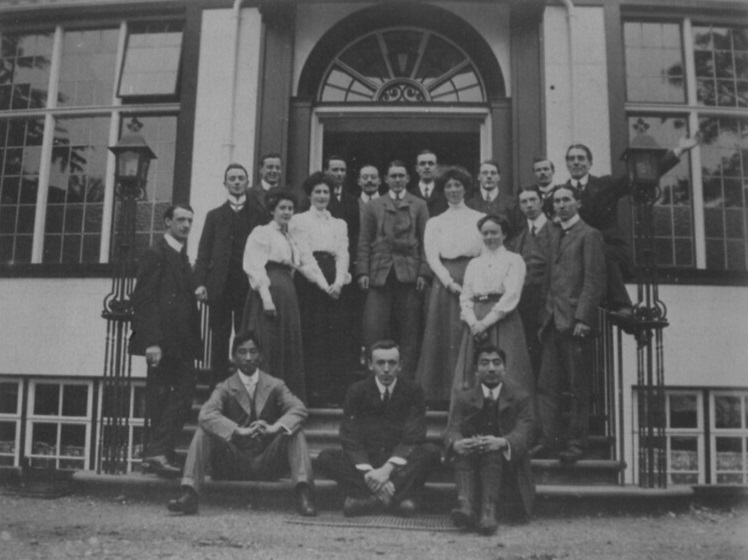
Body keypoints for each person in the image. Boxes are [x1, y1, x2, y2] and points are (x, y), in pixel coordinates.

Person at [166, 331, 316, 517]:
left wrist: (274, 427)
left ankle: (303, 493)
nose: (248, 358)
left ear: (261, 356)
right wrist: (238, 431)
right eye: (242, 352)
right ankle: (190, 493)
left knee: (295, 430)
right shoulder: (225, 387)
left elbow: (299, 408)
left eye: (253, 352)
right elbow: (206, 414)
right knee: (203, 431)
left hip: (267, 461)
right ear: (233, 357)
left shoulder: (275, 385)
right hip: (234, 461)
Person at [564, 135, 699, 314]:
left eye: (581, 158)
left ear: (590, 163)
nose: (576, 162)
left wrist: (679, 150)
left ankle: (623, 305)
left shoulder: (606, 185)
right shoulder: (561, 194)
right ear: (566, 164)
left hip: (610, 249)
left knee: (600, 252)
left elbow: (641, 175)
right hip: (578, 256)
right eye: (571, 159)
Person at [316, 340, 441, 517]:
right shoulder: (357, 391)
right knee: (326, 457)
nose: (386, 369)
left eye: (392, 363)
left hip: (397, 466)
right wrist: (370, 472)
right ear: (370, 365)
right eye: (380, 363)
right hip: (368, 465)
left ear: (401, 366)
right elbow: (349, 437)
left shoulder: (413, 391)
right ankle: (396, 500)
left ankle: (371, 502)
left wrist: (386, 470)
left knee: (432, 452)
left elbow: (414, 435)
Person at [533, 185, 606, 463]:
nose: (561, 205)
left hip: (575, 322)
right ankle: (548, 440)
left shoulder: (589, 235)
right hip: (551, 320)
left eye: (566, 200)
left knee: (577, 386)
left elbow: (594, 280)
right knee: (546, 385)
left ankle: (577, 443)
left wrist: (584, 318)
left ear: (577, 203)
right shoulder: (555, 235)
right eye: (556, 201)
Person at [130, 204, 203, 477]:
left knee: (180, 394)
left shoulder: (182, 256)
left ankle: (160, 453)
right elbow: (144, 299)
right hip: (162, 342)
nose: (186, 225)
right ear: (167, 222)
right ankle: (158, 452)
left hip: (181, 342)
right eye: (180, 220)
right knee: (164, 397)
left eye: (189, 221)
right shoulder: (156, 253)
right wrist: (152, 342)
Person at [241, 190, 330, 403]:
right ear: (272, 210)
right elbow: (254, 266)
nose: (287, 212)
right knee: (268, 344)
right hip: (271, 290)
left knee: (286, 345)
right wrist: (266, 298)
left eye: (290, 208)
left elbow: (304, 266)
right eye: (282, 208)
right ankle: (263, 401)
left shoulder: (290, 236)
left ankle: (284, 401)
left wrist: (326, 287)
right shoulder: (262, 232)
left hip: (288, 291)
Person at [445, 345, 535, 535]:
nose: (491, 368)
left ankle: (489, 512)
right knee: (462, 450)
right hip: (470, 464)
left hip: (505, 468)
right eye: (484, 363)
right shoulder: (464, 398)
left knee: (492, 451)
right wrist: (457, 442)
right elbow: (452, 429)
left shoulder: (520, 397)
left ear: (505, 368)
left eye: (496, 363)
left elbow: (525, 431)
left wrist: (502, 442)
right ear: (476, 370)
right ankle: (466, 507)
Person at [415, 166, 484, 403]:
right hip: (445, 281)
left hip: (472, 277)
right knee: (443, 334)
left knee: (468, 332)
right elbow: (432, 256)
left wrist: (472, 284)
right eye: (448, 186)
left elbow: (484, 253)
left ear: (465, 188)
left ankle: (468, 392)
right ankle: (441, 394)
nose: (453, 190)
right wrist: (448, 281)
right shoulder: (435, 222)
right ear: (443, 191)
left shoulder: (479, 219)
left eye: (458, 185)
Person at [357, 160, 430, 376]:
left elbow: (426, 240)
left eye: (401, 176)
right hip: (380, 275)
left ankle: (406, 380)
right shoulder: (374, 205)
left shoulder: (419, 204)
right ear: (386, 180)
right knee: (374, 328)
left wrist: (424, 272)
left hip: (409, 275)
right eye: (393, 176)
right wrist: (362, 271)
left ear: (408, 179)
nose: (397, 180)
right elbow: (364, 240)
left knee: (409, 332)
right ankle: (375, 378)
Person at [194, 163, 265, 383]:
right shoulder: (214, 216)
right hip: (220, 287)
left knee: (246, 338)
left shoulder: (258, 215)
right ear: (225, 183)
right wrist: (200, 283)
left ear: (247, 183)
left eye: (240, 178)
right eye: (232, 178)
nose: (236, 182)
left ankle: (245, 384)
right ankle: (217, 387)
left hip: (246, 287)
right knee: (219, 338)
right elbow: (204, 251)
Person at [289, 172, 351, 406]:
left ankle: (334, 394)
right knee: (312, 334)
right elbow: (304, 255)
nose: (323, 196)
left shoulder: (339, 223)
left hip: (334, 279)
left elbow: (343, 253)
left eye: (326, 192)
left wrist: (338, 282)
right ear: (310, 194)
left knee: (334, 335)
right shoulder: (300, 220)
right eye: (318, 192)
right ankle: (312, 393)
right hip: (310, 281)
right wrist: (325, 286)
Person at [452, 215, 532, 395]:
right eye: (485, 233)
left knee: (507, 369)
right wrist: (473, 323)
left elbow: (512, 294)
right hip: (476, 318)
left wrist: (485, 323)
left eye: (494, 232)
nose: (489, 237)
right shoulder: (474, 263)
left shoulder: (514, 259)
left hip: (502, 319)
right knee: (472, 373)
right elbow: (466, 296)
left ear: (504, 235)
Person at [510, 186, 552, 379]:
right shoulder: (519, 237)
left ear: (541, 202)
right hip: (526, 300)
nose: (529, 205)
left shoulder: (556, 230)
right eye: (524, 202)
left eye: (533, 200)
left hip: (549, 297)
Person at [465, 159, 517, 230]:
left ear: (499, 177)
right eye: (485, 173)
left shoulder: (511, 203)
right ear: (479, 177)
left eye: (493, 173)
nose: (489, 176)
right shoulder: (470, 205)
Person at [409, 149, 447, 217]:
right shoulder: (409, 194)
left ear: (436, 168)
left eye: (430, 163)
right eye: (422, 164)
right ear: (417, 168)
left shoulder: (445, 194)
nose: (427, 167)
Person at [246, 153, 283, 222]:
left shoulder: (286, 194)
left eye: (277, 168)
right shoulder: (248, 194)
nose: (274, 171)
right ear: (261, 169)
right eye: (270, 167)